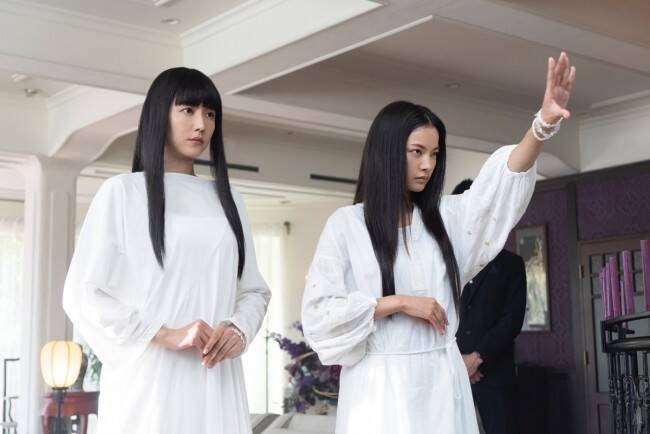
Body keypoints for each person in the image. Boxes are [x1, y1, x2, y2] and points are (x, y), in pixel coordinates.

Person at [301, 53, 575, 434]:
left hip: (441, 387)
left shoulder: (447, 218)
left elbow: (499, 187)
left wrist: (542, 125)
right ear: (387, 152)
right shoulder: (346, 226)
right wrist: (398, 302)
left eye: (434, 154)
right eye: (417, 152)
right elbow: (320, 315)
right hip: (378, 392)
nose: (428, 165)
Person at [62, 67, 271, 434]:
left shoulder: (229, 199)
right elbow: (82, 293)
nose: (202, 124)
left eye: (210, 113)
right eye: (188, 110)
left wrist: (238, 328)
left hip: (216, 380)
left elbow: (254, 289)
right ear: (160, 113)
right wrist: (165, 333)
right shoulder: (123, 192)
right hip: (150, 385)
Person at [453, 179, 527, 434]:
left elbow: (512, 321)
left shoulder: (511, 265)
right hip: (450, 374)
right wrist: (459, 363)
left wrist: (476, 359)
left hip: (494, 375)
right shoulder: (443, 263)